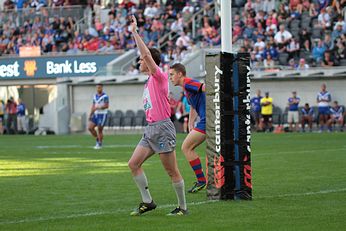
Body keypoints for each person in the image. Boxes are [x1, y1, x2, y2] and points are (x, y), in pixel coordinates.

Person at [127, 15, 187, 216]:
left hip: (162, 128)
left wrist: (135, 32)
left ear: (148, 61)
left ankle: (182, 207)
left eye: (142, 60)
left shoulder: (159, 76)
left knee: (172, 171)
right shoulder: (148, 82)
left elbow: (145, 54)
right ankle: (148, 202)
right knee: (133, 164)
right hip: (151, 129)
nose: (140, 62)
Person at [169, 63, 207, 193]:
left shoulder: (188, 82)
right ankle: (203, 180)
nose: (170, 78)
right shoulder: (186, 87)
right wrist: (191, 123)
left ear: (180, 74)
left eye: (172, 74)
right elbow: (192, 106)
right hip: (205, 120)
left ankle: (202, 181)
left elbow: (205, 87)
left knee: (186, 147)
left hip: (208, 121)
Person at [88, 83, 109, 149]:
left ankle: (99, 143)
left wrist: (99, 107)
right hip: (95, 114)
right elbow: (93, 106)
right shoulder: (95, 96)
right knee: (90, 128)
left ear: (102, 88)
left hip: (102, 115)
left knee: (100, 129)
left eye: (99, 87)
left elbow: (106, 106)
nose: (98, 89)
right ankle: (98, 138)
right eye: (97, 87)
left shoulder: (105, 96)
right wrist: (91, 114)